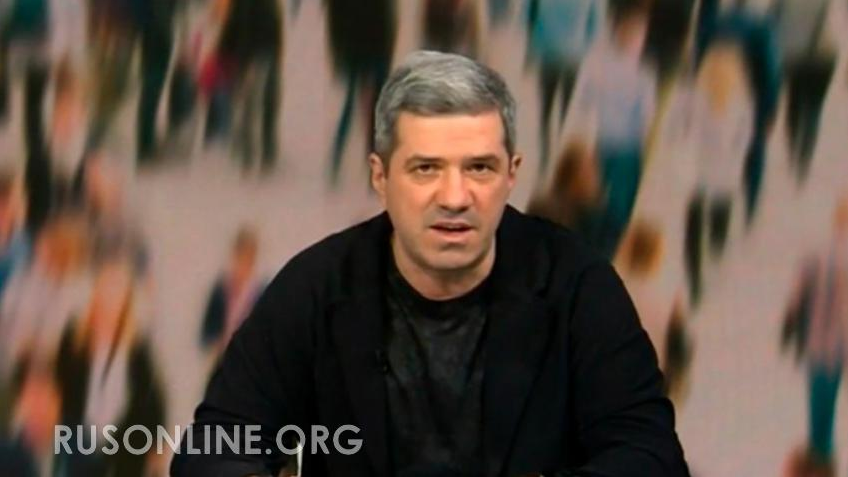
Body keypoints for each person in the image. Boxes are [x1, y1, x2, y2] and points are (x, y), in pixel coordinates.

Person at [172, 50, 688, 477]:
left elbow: (650, 455)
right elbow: (213, 448)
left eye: (479, 168)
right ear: (380, 177)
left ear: (512, 174)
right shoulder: (316, 287)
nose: (455, 197)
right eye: (426, 169)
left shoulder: (579, 285)